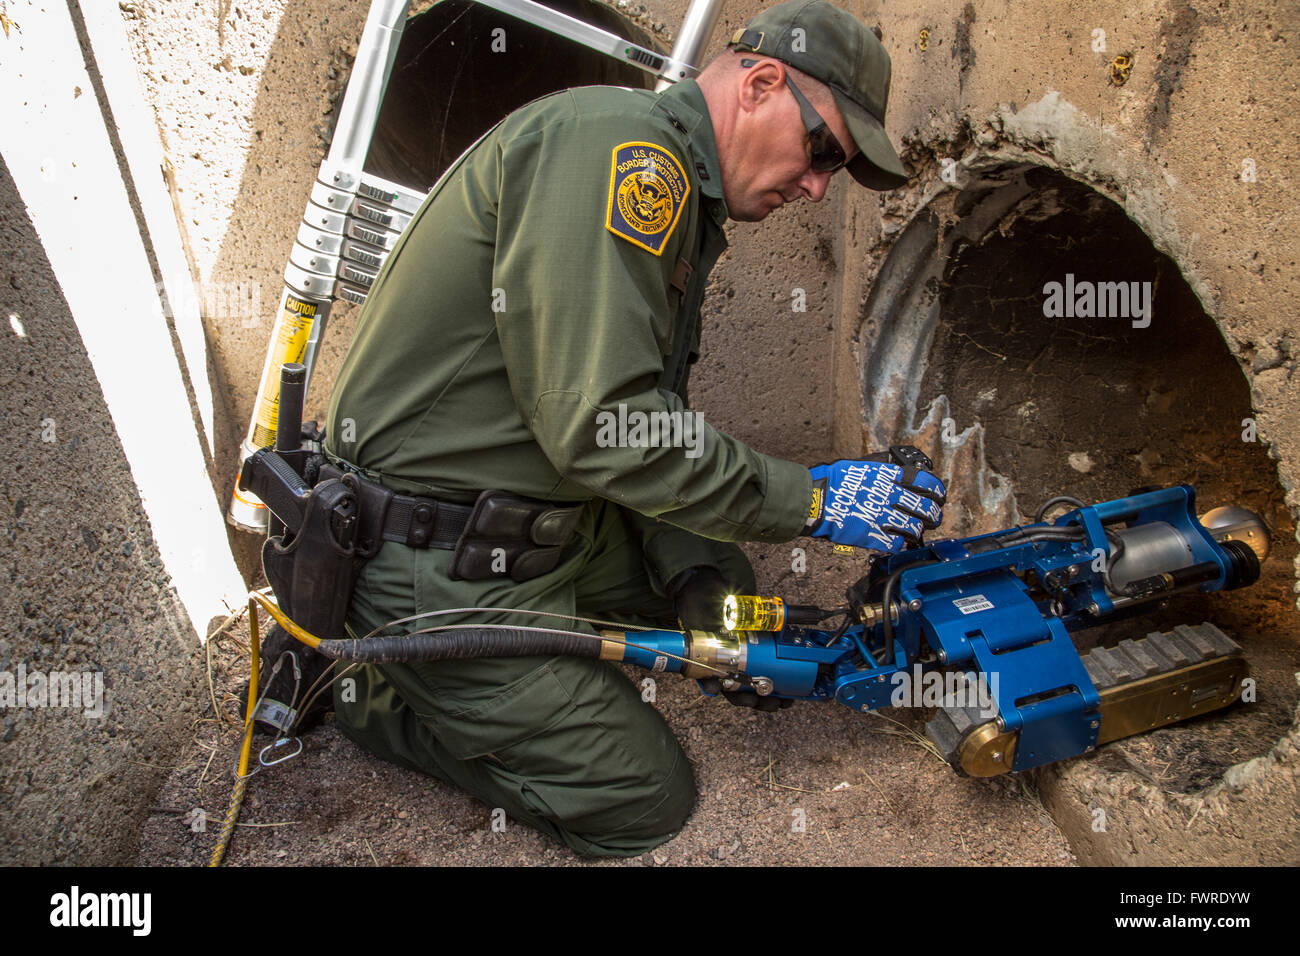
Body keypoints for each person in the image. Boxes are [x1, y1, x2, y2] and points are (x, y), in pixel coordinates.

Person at [323, 0, 945, 857]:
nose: (816, 187)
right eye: (826, 151)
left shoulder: (677, 186)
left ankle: (505, 668)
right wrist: (810, 498)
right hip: (433, 564)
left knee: (727, 601)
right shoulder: (627, 155)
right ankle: (369, 696)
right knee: (642, 794)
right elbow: (605, 428)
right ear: (762, 84)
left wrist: (698, 574)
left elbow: (648, 423)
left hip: (533, 522)